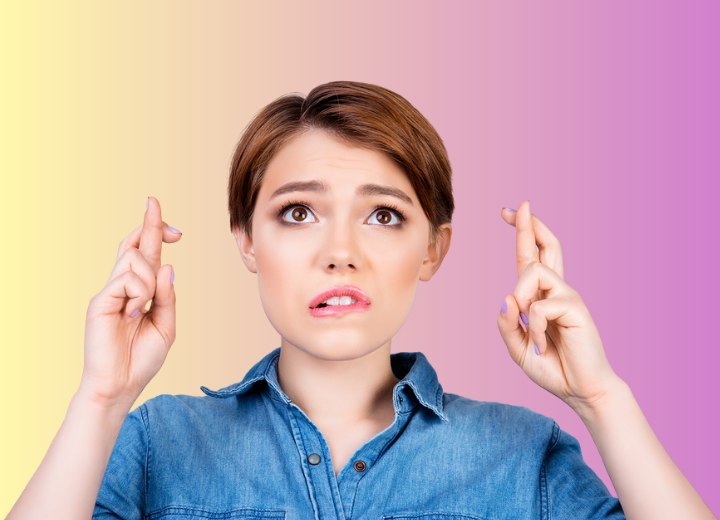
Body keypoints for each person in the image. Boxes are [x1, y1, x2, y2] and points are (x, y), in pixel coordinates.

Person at [8, 81, 715, 520]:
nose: (339, 251)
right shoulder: (159, 441)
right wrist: (101, 399)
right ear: (246, 242)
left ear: (433, 249)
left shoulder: (519, 455)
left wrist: (601, 397)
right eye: (297, 213)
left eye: (383, 216)